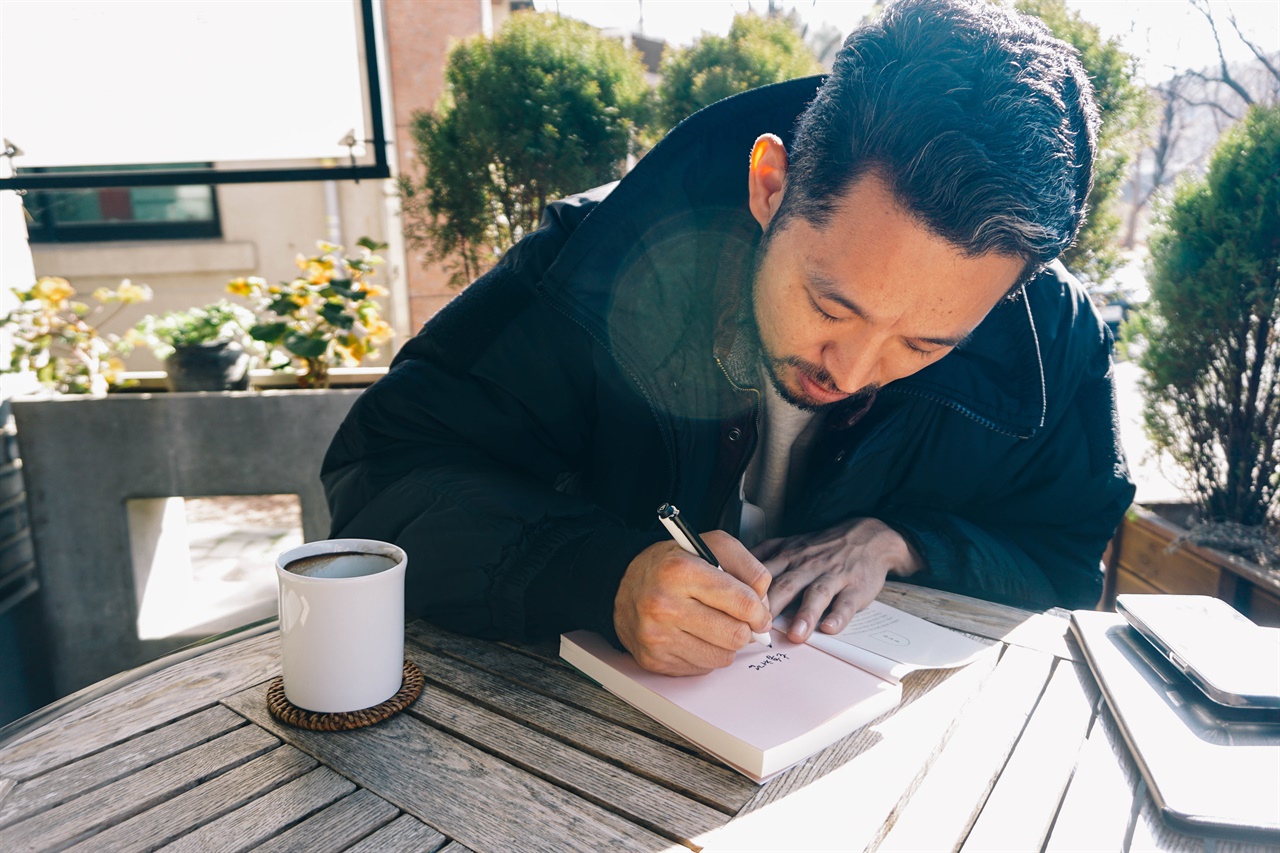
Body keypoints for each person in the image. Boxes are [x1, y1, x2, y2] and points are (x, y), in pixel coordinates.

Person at [321, 0, 1136, 676]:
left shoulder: (1049, 337)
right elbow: (378, 483)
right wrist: (601, 573)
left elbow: (1066, 553)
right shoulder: (591, 266)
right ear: (769, 184)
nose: (850, 370)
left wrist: (906, 542)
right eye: (829, 303)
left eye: (922, 344)